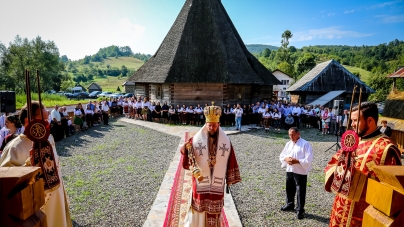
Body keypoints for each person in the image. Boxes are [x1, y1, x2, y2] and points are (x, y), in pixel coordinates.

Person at [324, 102, 402, 227]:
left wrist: (359, 176)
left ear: (370, 120)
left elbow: (394, 189)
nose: (352, 125)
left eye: (355, 121)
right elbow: (333, 162)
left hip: (364, 212)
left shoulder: (385, 148)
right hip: (341, 206)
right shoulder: (352, 140)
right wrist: (340, 169)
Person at [0, 101, 73, 227]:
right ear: (29, 121)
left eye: (47, 118)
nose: (47, 122)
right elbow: (6, 185)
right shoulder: (14, 148)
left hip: (57, 199)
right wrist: (28, 167)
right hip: (36, 207)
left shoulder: (48, 139)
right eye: (43, 118)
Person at [180, 104, 241, 227]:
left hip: (217, 183)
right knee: (198, 207)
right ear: (206, 125)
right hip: (201, 180)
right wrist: (185, 148)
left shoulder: (226, 142)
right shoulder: (196, 140)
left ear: (218, 124)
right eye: (210, 125)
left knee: (214, 207)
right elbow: (185, 151)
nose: (212, 128)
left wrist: (230, 179)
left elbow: (231, 159)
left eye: (214, 125)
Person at [279, 127, 313, 221]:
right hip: (290, 169)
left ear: (298, 134)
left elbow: (308, 159)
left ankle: (300, 209)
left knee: (300, 191)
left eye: (293, 134)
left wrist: (297, 161)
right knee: (289, 188)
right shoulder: (288, 144)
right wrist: (286, 159)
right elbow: (282, 155)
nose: (291, 136)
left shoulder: (305, 144)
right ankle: (290, 204)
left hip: (300, 171)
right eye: (289, 135)